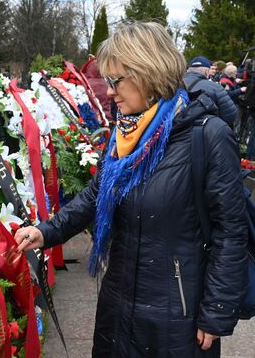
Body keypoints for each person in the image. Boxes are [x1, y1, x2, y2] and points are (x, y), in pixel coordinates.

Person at [15, 22, 247, 357]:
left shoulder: (208, 136)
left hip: (176, 318)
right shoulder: (125, 134)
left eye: (115, 80)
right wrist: (45, 232)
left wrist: (216, 313)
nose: (108, 92)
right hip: (117, 307)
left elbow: (230, 232)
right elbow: (95, 196)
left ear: (147, 72)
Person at [183, 56, 237, 127]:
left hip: (174, 132)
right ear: (206, 72)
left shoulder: (174, 84)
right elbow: (231, 115)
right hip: (202, 132)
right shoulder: (215, 87)